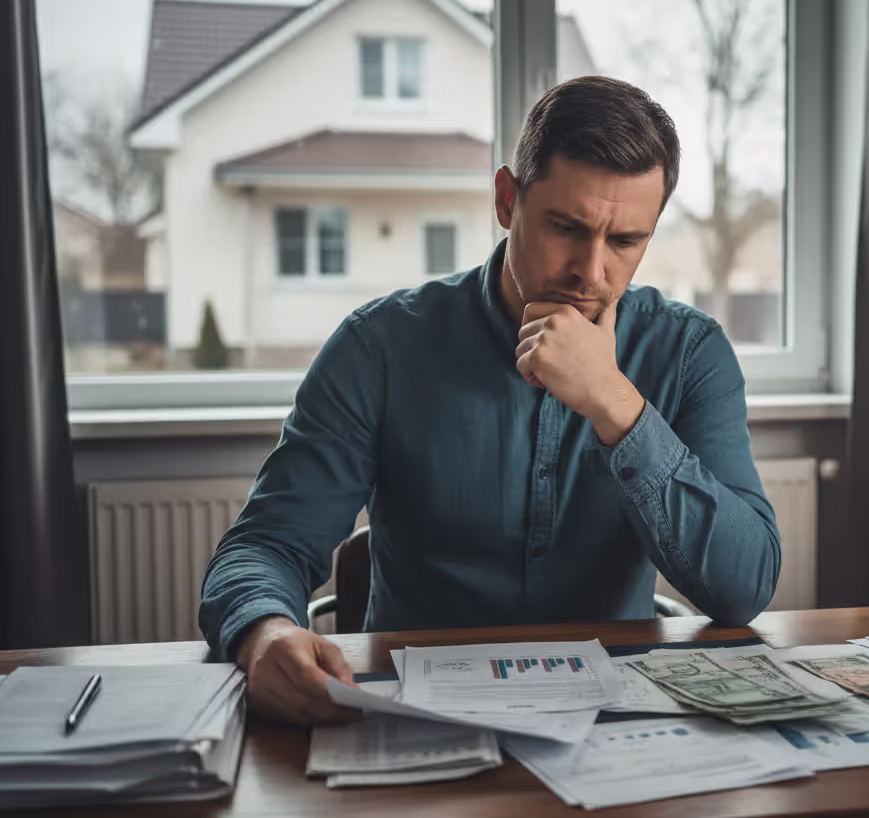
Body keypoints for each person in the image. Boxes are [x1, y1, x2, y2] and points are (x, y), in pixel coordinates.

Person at [200, 76, 781, 726]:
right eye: (566, 227)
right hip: (416, 721)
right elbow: (266, 544)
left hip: (613, 730)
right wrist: (265, 634)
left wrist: (616, 404)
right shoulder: (379, 348)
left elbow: (744, 588)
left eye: (625, 242)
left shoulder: (689, 353)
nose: (592, 273)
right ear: (508, 200)